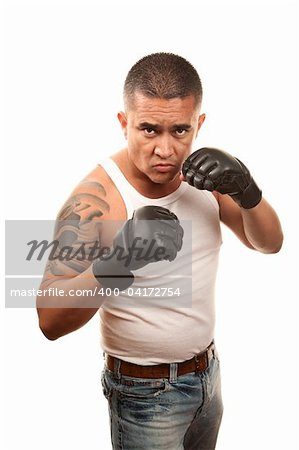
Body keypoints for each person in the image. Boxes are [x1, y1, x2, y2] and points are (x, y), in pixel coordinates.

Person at [36, 52, 283, 450]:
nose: (166, 150)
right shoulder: (98, 199)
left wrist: (247, 189)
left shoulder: (207, 177)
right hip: (142, 396)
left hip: (208, 375)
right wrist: (120, 259)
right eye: (149, 130)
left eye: (180, 131)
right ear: (124, 123)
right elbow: (49, 320)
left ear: (198, 124)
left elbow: (269, 244)